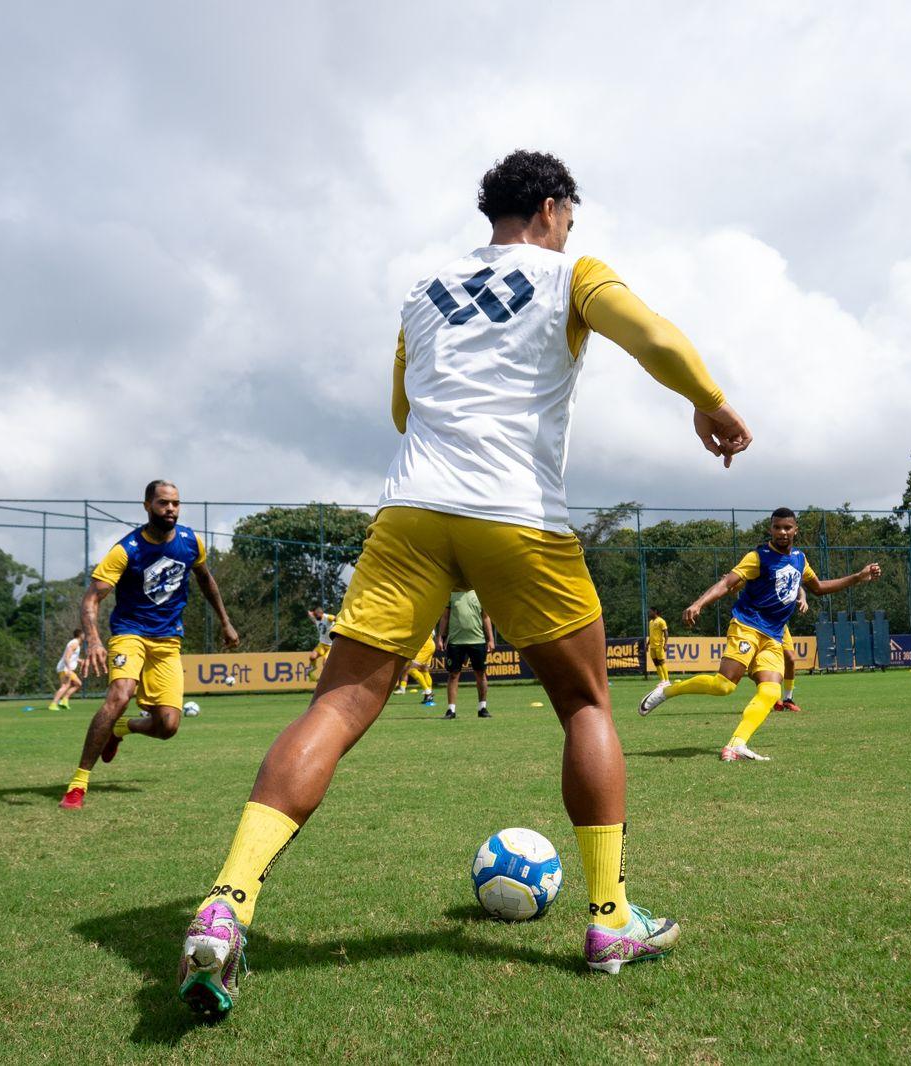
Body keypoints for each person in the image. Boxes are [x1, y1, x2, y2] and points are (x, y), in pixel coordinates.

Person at [178, 149, 752, 1017]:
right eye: (569, 219)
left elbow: (403, 411)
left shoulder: (422, 292)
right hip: (516, 512)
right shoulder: (572, 275)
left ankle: (226, 903)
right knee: (588, 706)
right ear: (553, 209)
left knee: (332, 709)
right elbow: (657, 338)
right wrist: (708, 398)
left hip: (410, 511)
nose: (570, 232)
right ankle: (610, 919)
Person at [638, 508, 880, 760]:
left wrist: (858, 577)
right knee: (724, 686)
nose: (782, 532)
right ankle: (668, 690)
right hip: (748, 625)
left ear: (796, 530)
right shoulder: (758, 557)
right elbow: (727, 583)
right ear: (770, 529)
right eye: (777, 527)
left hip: (774, 635)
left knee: (770, 691)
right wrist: (698, 604)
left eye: (787, 527)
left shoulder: (800, 559)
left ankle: (735, 745)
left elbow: (818, 588)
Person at [59, 481, 239, 810]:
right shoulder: (126, 550)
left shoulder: (190, 542)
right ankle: (78, 783)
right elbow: (91, 599)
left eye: (175, 503)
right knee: (120, 695)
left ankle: (120, 730)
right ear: (147, 505)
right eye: (163, 503)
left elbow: (205, 579)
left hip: (168, 641)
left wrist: (225, 621)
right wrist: (96, 641)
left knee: (167, 726)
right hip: (130, 633)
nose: (170, 509)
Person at [439, 588, 495, 719]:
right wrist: (440, 637)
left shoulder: (480, 593)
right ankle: (451, 710)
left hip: (477, 640)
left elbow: (486, 617)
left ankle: (482, 708)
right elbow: (445, 617)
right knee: (453, 675)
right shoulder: (451, 594)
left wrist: (491, 639)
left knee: (480, 673)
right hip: (455, 642)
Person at [396, 631, 438, 707]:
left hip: (425, 646)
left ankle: (428, 692)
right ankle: (428, 694)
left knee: (411, 669)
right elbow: (433, 633)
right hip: (430, 644)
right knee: (424, 670)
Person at [49, 629, 83, 709]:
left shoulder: (76, 644)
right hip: (65, 668)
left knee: (78, 684)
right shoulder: (74, 644)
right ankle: (53, 704)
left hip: (67, 668)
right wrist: (69, 669)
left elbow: (72, 657)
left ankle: (64, 700)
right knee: (65, 686)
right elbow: (66, 657)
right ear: (80, 635)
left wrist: (81, 661)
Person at [306, 606, 336, 678]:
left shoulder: (328, 617)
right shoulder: (316, 617)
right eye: (315, 616)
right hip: (322, 644)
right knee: (312, 657)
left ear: (321, 614)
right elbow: (310, 614)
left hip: (331, 646)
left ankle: (329, 678)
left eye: (317, 616)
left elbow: (336, 618)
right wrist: (309, 612)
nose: (316, 618)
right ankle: (313, 668)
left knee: (325, 662)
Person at [643, 607, 669, 685]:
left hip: (659, 645)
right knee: (656, 663)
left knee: (661, 662)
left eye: (650, 612)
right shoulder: (650, 622)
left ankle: (667, 680)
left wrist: (665, 644)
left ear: (655, 611)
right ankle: (662, 680)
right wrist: (647, 644)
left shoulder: (661, 621)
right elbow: (651, 635)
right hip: (652, 646)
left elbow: (666, 633)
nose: (649, 613)